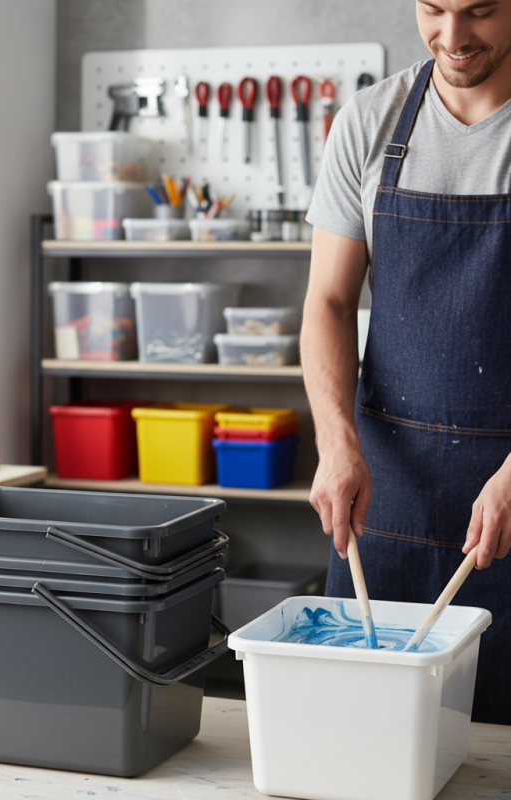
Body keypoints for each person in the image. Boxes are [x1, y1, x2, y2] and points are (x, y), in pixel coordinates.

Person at [302, 0, 511, 725]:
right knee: (365, 728)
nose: (453, 37)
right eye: (434, 9)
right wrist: (335, 442)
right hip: (386, 488)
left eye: (480, 11)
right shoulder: (371, 121)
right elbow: (327, 302)